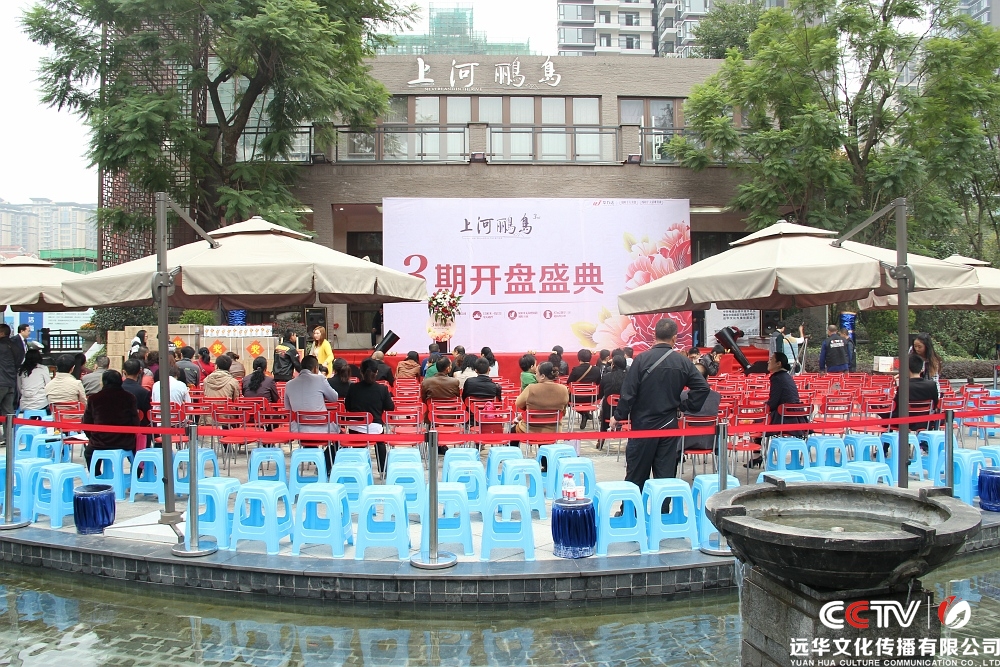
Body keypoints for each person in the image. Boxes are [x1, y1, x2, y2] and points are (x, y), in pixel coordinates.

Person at [610, 318, 710, 496]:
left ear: (654, 335)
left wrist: (618, 416)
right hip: (668, 425)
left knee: (636, 475)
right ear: (675, 338)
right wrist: (684, 406)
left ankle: (631, 510)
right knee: (665, 477)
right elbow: (703, 388)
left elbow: (628, 392)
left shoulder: (641, 359)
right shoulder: (683, 362)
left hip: (642, 425)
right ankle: (662, 510)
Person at [284, 355, 339, 473]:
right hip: (322, 427)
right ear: (315, 368)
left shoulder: (289, 384)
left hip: (299, 429)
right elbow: (334, 398)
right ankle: (324, 465)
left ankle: (317, 461)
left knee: (309, 437)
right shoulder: (320, 379)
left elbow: (288, 409)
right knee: (340, 438)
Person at [82, 370, 139, 472]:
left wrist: (92, 437)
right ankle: (135, 475)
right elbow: (135, 422)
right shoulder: (129, 397)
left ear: (104, 382)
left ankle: (96, 476)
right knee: (136, 453)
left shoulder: (94, 398)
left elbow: (86, 422)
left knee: (89, 453)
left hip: (100, 442)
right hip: (125, 441)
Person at [344, 358, 395, 472]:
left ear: (361, 372)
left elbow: (348, 406)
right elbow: (390, 407)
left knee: (360, 439)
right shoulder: (382, 389)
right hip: (374, 429)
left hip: (356, 429)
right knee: (380, 443)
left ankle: (358, 468)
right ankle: (383, 469)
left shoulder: (353, 387)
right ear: (376, 372)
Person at [514, 361, 569, 433]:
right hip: (554, 430)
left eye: (536, 373)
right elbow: (563, 410)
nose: (535, 375)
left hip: (530, 429)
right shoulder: (564, 389)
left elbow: (518, 403)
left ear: (542, 376)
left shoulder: (531, 388)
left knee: (512, 430)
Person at [679, 362, 722, 453]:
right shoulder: (717, 396)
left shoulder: (682, 396)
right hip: (710, 441)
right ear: (707, 378)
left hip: (684, 441)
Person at [891, 353, 940, 431]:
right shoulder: (932, 385)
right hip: (926, 422)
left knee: (886, 414)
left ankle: (887, 438)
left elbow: (896, 406)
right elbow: (935, 403)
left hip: (905, 422)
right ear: (922, 369)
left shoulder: (903, 386)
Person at [122, 358, 153, 448]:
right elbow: (147, 414)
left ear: (124, 372)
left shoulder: (118, 389)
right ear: (140, 371)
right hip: (139, 430)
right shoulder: (143, 392)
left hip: (119, 430)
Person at [568, 349, 601, 428]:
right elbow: (598, 382)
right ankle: (585, 414)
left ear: (579, 358)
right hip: (592, 398)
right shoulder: (596, 370)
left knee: (566, 399)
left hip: (576, 398)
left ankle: (584, 414)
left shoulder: (576, 370)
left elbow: (569, 382)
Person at [0, 324, 26, 425]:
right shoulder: (16, 347)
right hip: (11, 382)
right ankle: (9, 434)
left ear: (2, 333)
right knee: (8, 412)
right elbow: (19, 362)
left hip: (1, 382)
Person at [598, 354, 628, 439]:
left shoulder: (606, 377)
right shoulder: (629, 378)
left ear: (613, 365)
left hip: (608, 412)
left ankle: (602, 437)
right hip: (626, 412)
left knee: (604, 402)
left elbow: (600, 395)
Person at [17, 348, 49, 412]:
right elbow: (48, 385)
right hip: (41, 404)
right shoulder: (43, 369)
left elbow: (19, 388)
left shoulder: (20, 371)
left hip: (25, 405)